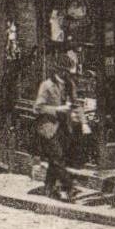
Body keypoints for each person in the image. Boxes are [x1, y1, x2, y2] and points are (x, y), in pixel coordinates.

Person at [33, 57, 81, 200]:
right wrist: (58, 109)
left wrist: (83, 122)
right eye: (67, 72)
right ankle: (69, 187)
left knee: (56, 159)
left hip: (64, 127)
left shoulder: (70, 84)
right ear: (59, 70)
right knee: (58, 158)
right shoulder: (46, 85)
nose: (69, 75)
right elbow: (37, 108)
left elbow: (75, 103)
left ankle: (48, 188)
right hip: (49, 127)